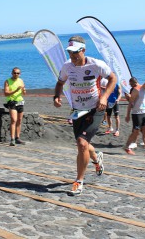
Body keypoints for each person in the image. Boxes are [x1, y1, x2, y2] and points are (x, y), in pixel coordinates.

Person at [54, 35, 117, 196]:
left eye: (76, 52)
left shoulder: (96, 64)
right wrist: (56, 96)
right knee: (83, 143)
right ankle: (97, 160)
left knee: (81, 144)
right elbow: (60, 82)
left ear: (83, 50)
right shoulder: (67, 67)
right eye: (70, 52)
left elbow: (113, 79)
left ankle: (79, 181)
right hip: (77, 110)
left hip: (96, 108)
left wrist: (104, 97)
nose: (73, 56)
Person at [124, 78, 145, 157]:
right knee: (136, 132)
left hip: (144, 113)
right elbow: (130, 103)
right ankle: (126, 147)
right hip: (136, 114)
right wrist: (128, 115)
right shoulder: (136, 90)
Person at [4, 67, 26, 146]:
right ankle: (12, 139)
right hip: (12, 102)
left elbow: (24, 93)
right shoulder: (7, 81)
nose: (16, 74)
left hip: (20, 101)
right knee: (14, 119)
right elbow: (6, 93)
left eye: (18, 73)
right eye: (14, 73)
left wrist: (23, 91)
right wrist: (16, 90)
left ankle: (17, 138)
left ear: (20, 74)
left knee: (19, 120)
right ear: (12, 73)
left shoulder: (21, 81)